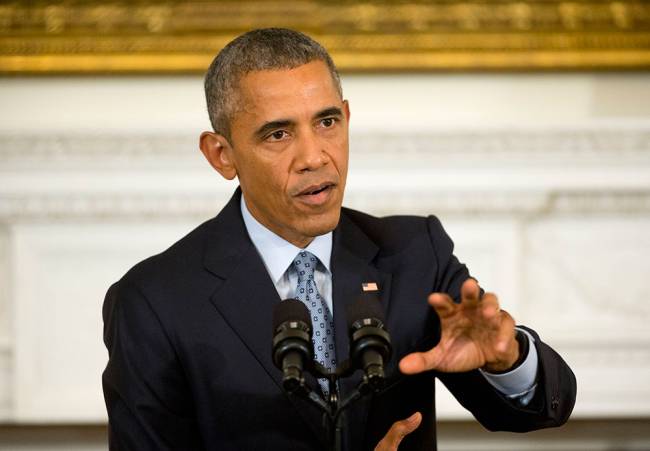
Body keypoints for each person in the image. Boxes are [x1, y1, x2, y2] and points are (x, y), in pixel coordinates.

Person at [102, 28, 576, 450]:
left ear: (347, 118)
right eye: (278, 134)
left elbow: (536, 410)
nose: (314, 156)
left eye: (327, 122)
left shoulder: (414, 254)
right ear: (222, 154)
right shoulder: (154, 301)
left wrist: (506, 360)